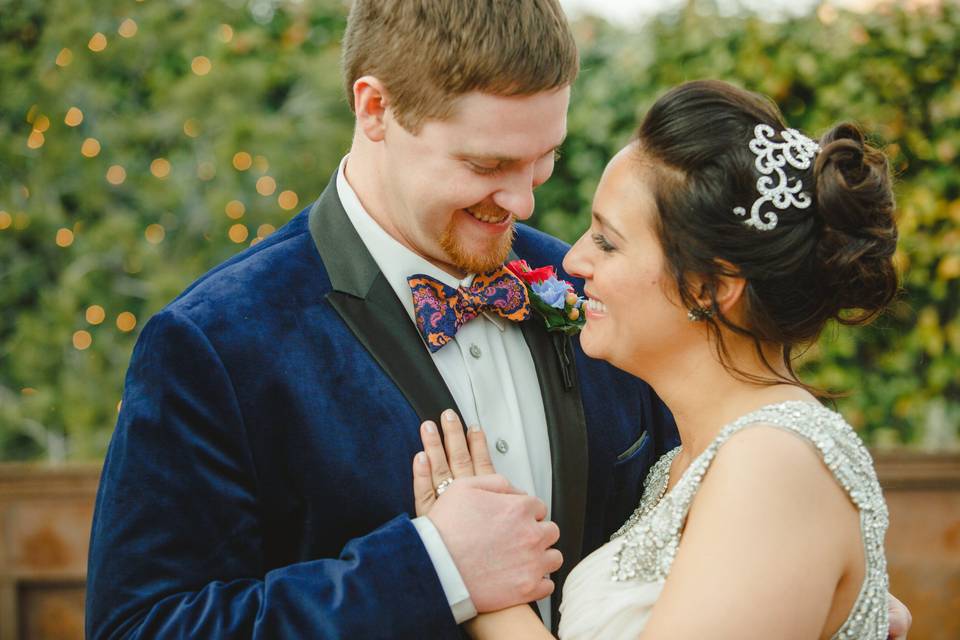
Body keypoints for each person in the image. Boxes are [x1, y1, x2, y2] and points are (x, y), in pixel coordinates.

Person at [84, 2, 678, 638]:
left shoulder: (592, 287)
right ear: (376, 110)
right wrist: (435, 571)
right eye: (485, 165)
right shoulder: (213, 344)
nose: (524, 199)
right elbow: (139, 626)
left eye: (543, 156)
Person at [410, 79, 906, 639]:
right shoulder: (680, 466)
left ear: (709, 287)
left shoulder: (776, 464)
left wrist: (479, 585)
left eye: (608, 241)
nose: (573, 260)